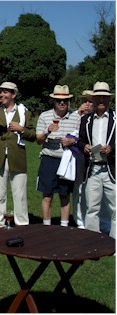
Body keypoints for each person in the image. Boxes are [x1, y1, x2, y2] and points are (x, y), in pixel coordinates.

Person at [0, 82, 36, 228]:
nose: (1, 95)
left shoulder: (24, 112)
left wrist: (21, 129)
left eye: (5, 92)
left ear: (14, 95)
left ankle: (22, 224)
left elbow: (33, 135)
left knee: (20, 194)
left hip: (17, 156)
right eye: (0, 92)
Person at [35, 85, 80, 226]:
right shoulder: (45, 116)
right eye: (59, 100)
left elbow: (81, 138)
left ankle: (64, 227)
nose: (62, 103)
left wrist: (72, 141)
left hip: (67, 160)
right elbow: (38, 140)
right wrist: (47, 131)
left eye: (65, 100)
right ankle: (47, 226)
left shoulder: (76, 117)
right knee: (47, 195)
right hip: (49, 159)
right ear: (53, 101)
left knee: (64, 195)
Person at [76, 82, 115, 239]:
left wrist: (112, 149)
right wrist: (84, 146)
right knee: (92, 207)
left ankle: (114, 242)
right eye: (97, 97)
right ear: (92, 99)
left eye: (103, 97)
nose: (100, 100)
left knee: (115, 208)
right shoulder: (86, 120)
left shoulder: (116, 118)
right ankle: (92, 242)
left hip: (111, 168)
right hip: (92, 168)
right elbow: (80, 140)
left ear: (108, 99)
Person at [72, 90, 94, 229]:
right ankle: (79, 220)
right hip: (79, 156)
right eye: (84, 101)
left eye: (90, 101)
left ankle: (95, 220)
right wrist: (77, 114)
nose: (87, 104)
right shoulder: (77, 116)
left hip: (97, 158)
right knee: (78, 189)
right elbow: (69, 132)